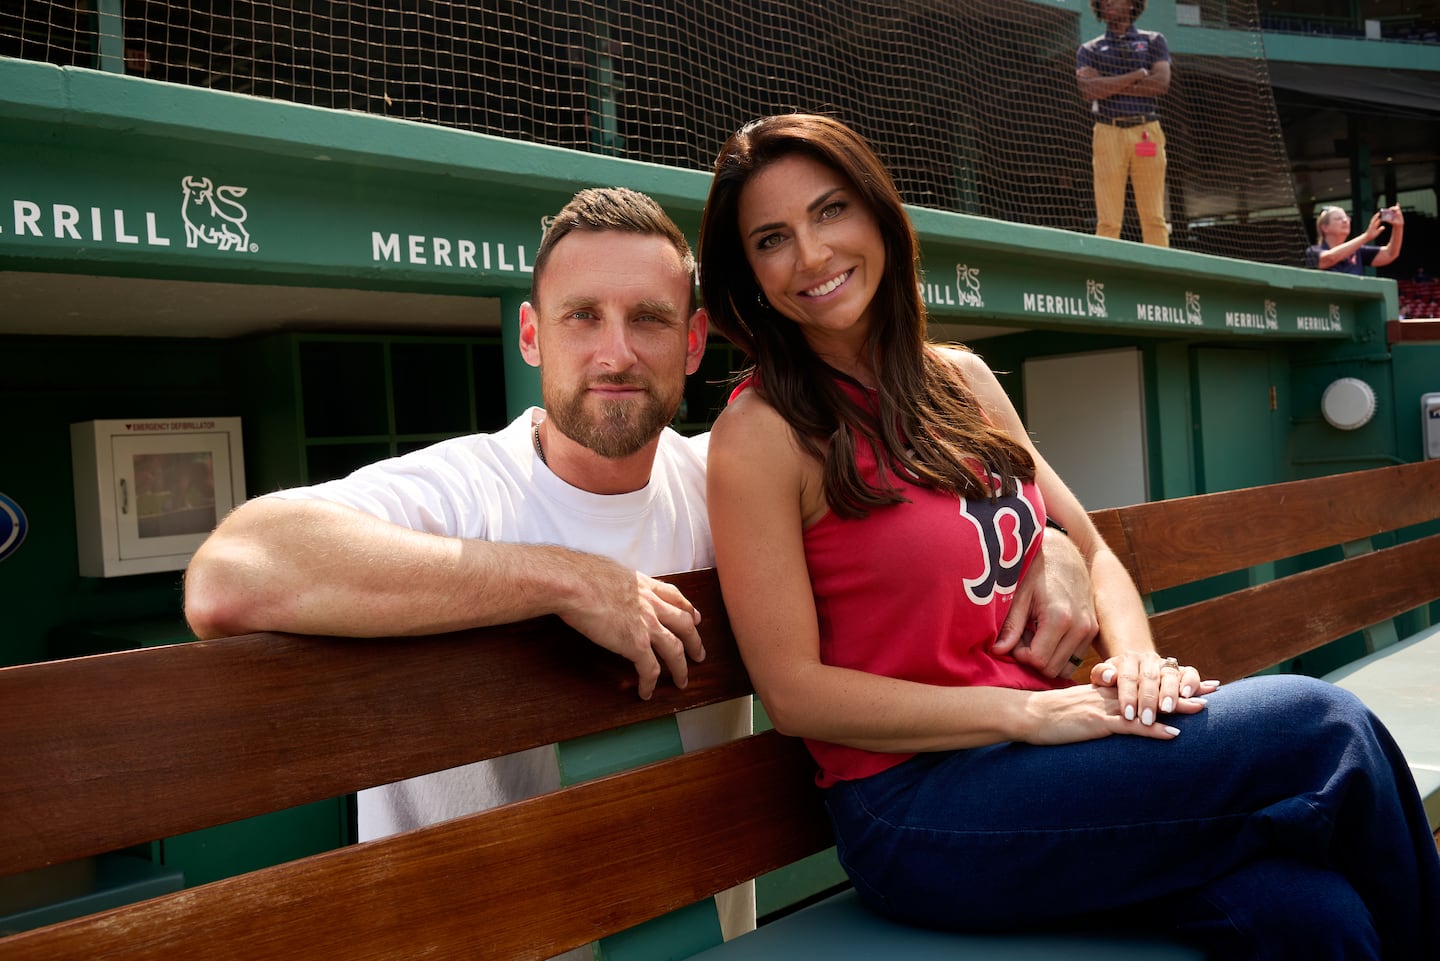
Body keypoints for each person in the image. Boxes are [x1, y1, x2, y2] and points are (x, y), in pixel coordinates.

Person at [183, 186, 1095, 953]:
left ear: (693, 343)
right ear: (533, 336)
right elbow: (231, 574)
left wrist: (1044, 542)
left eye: (648, 319)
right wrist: (563, 578)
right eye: (584, 317)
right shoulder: (464, 487)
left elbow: (924, 532)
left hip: (703, 935)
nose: (615, 352)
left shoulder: (731, 481)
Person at [697, 112, 1440, 959]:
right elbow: (794, 691)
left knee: (1313, 916)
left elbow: (1090, 547)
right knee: (1322, 727)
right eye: (772, 239)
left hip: (1059, 762)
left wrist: (1136, 662)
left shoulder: (963, 381)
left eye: (830, 211)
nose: (812, 255)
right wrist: (1025, 713)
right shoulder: (760, 431)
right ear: (750, 274)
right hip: (920, 807)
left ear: (876, 214)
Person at [1076, 0, 1172, 247]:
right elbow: (1089, 90)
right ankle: (1103, 279)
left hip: (1146, 131)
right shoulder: (1089, 49)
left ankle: (1161, 275)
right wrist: (1138, 75)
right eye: (1102, 0)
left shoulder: (1153, 41)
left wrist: (1109, 84)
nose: (1108, 2)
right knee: (1108, 220)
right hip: (1108, 131)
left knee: (1154, 217)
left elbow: (1160, 83)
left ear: (1132, 4)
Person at [1306, 204, 1405, 274]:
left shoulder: (1357, 251)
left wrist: (1398, 227)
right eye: (1338, 218)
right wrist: (1366, 237)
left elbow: (1390, 254)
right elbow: (1329, 259)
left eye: (1347, 218)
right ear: (1324, 227)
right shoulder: (1313, 251)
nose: (1345, 221)